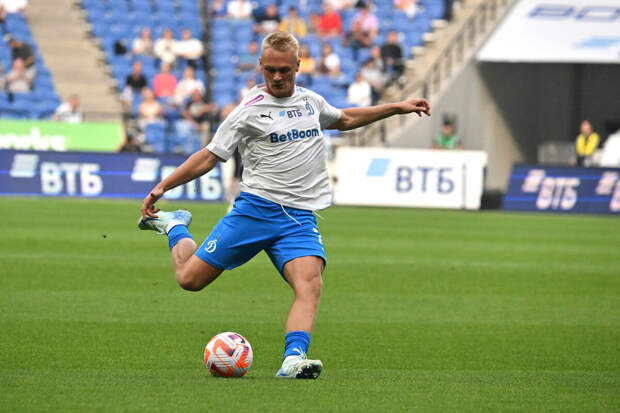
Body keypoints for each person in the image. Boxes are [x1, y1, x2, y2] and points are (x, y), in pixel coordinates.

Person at [137, 31, 430, 380]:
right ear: (261, 65)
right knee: (189, 280)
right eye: (270, 70)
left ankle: (293, 359)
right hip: (255, 211)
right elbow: (209, 156)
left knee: (311, 285)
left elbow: (345, 119)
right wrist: (163, 187)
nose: (277, 77)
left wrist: (396, 107)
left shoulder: (310, 102)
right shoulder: (247, 111)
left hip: (298, 218)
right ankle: (175, 225)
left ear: (298, 66)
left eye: (285, 70)